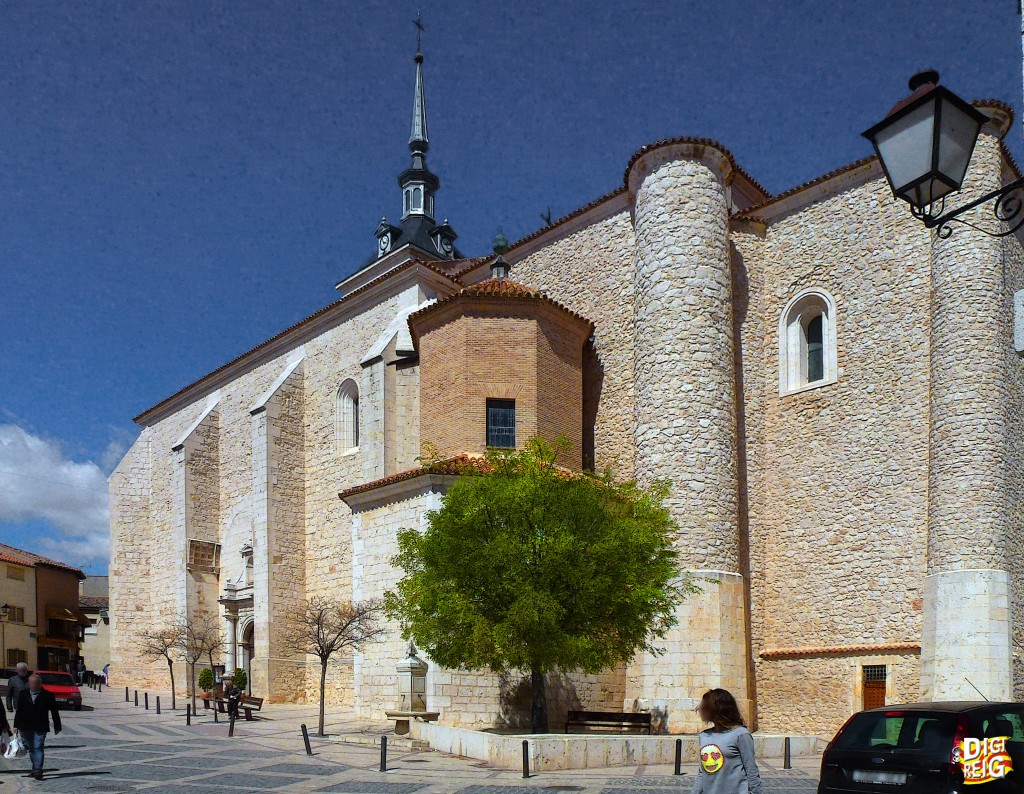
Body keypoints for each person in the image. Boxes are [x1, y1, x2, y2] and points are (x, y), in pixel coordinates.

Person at [691, 688, 763, 794]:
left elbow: (751, 769)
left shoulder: (740, 734)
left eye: (704, 706)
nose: (700, 709)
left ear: (716, 709)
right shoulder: (704, 736)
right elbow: (702, 773)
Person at [14, 674, 61, 780]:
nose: (34, 685)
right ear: (29, 684)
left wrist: (57, 726)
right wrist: (16, 725)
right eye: (32, 683)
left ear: (40, 683)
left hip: (41, 725)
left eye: (36, 683)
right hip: (26, 725)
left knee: (38, 747)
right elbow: (19, 710)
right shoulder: (23, 694)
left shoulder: (48, 695)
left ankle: (38, 770)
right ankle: (35, 768)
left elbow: (54, 712)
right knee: (31, 748)